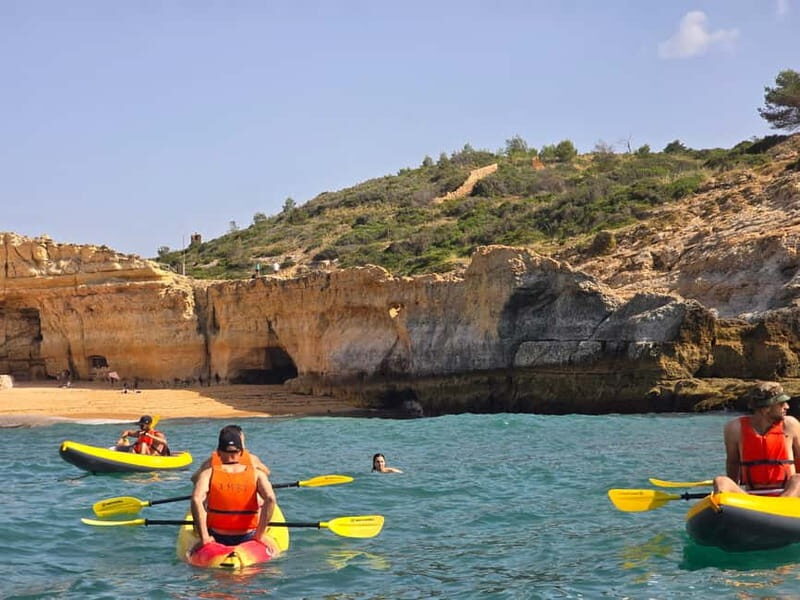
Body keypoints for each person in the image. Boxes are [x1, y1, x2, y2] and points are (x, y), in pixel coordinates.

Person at [191, 426, 278, 553]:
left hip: (217, 535)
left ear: (218, 452)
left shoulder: (207, 473)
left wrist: (204, 538)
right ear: (241, 452)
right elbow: (270, 498)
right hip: (248, 535)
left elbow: (195, 499)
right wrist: (259, 535)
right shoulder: (257, 473)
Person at [714, 381, 800, 496]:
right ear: (766, 409)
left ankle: (779, 508)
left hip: (787, 494)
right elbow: (732, 463)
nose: (787, 407)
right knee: (721, 482)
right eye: (781, 403)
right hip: (752, 498)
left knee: (798, 480)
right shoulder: (734, 428)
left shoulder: (790, 425)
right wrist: (731, 495)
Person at [190, 424, 270, 483]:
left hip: (219, 503)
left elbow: (194, 479)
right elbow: (267, 473)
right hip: (247, 502)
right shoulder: (252, 459)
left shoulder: (210, 462)